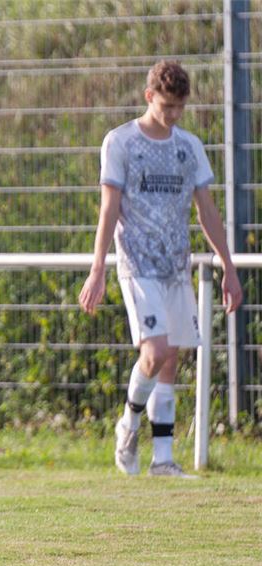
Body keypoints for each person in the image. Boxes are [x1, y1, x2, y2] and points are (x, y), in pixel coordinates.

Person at [79, 60, 242, 479]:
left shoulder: (188, 146)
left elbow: (206, 210)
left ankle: (163, 461)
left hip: (175, 264)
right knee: (153, 352)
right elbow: (109, 207)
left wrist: (228, 266)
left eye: (179, 108)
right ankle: (128, 425)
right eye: (166, 105)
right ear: (150, 96)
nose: (172, 115)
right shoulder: (120, 142)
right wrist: (98, 267)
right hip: (137, 262)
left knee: (170, 357)